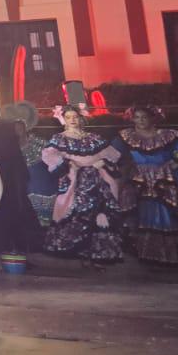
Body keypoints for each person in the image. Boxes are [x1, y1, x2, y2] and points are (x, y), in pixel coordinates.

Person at [114, 107, 178, 266]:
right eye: (137, 117)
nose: (140, 121)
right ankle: (148, 253)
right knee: (144, 213)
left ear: (153, 119)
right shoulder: (126, 136)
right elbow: (111, 153)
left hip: (165, 179)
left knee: (167, 212)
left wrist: (176, 162)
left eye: (144, 117)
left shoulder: (168, 135)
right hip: (140, 180)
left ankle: (172, 254)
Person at [40, 105, 125, 265]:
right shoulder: (59, 139)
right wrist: (68, 163)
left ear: (81, 118)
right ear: (63, 120)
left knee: (100, 211)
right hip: (74, 180)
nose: (73, 120)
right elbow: (50, 155)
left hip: (97, 180)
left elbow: (112, 155)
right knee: (76, 210)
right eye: (69, 117)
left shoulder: (94, 138)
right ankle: (76, 249)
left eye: (75, 117)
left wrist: (103, 162)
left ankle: (100, 250)